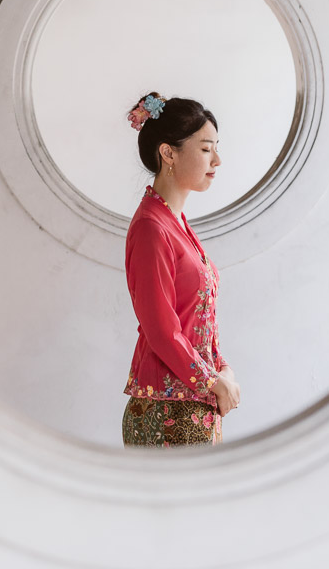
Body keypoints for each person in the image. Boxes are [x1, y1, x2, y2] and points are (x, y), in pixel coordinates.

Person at [120, 92, 241, 448]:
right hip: (167, 411)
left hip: (193, 404)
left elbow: (195, 320)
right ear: (168, 152)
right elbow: (162, 329)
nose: (217, 159)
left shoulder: (174, 223)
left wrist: (223, 368)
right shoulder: (151, 227)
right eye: (206, 149)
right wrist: (212, 381)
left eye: (216, 147)